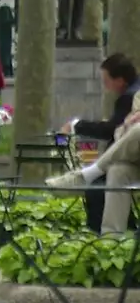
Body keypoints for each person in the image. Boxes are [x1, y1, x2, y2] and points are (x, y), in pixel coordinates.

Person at [52, 53, 140, 231]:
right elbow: (120, 130)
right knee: (118, 170)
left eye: (106, 81)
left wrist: (77, 125)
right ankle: (110, 241)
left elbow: (112, 130)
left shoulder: (129, 95)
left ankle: (87, 174)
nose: (104, 86)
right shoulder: (137, 94)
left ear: (121, 79)